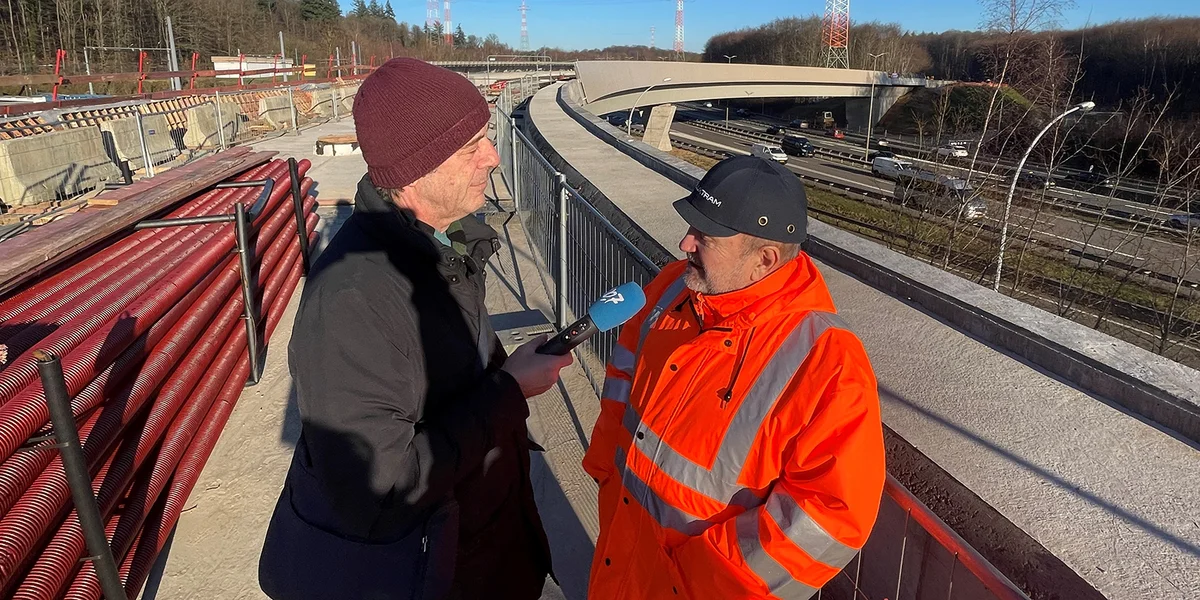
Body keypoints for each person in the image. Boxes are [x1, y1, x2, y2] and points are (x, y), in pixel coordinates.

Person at [258, 58, 572, 600]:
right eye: (471, 147)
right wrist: (509, 390)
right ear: (414, 170)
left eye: (487, 137)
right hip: (435, 572)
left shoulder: (445, 246)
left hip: (483, 552)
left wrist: (503, 371)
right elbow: (379, 496)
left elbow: (450, 382)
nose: (493, 159)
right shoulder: (354, 301)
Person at [582, 155, 886, 599]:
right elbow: (621, 383)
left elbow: (833, 514)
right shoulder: (671, 289)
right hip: (620, 557)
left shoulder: (826, 361)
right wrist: (605, 472)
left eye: (704, 237)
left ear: (764, 259)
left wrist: (703, 578)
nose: (685, 243)